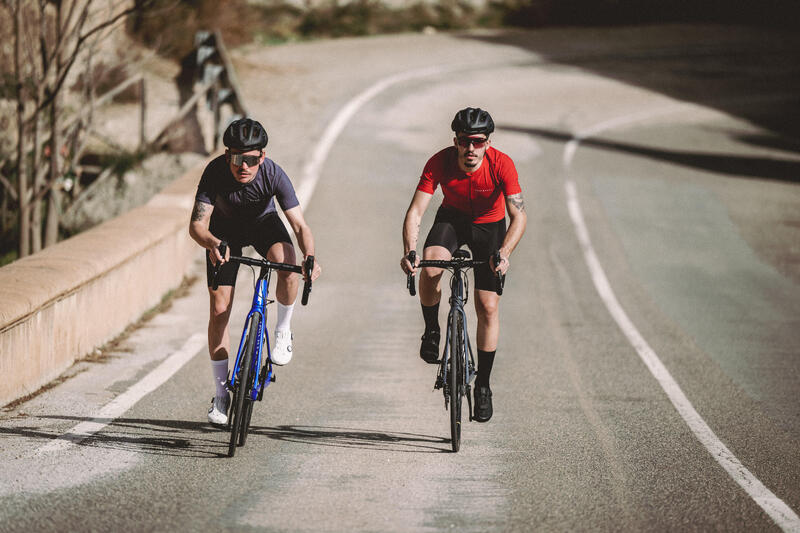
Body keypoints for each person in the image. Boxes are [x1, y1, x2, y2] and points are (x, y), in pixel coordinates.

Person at [189, 117, 321, 425]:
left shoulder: (273, 173)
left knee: (287, 265)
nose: (243, 166)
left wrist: (309, 256)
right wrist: (212, 243)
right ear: (227, 156)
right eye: (237, 158)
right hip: (223, 235)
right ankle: (221, 395)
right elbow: (196, 226)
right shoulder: (215, 173)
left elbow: (299, 225)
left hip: (263, 226)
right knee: (219, 310)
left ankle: (283, 330)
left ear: (262, 157)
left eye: (251, 159)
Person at [400, 107, 527, 423]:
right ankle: (432, 331)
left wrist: (505, 252)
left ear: (487, 142)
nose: (470, 149)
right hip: (452, 222)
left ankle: (482, 385)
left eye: (477, 142)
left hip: (490, 227)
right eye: (463, 141)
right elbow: (416, 211)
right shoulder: (439, 162)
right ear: (455, 140)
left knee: (488, 307)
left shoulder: (502, 165)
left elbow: (519, 216)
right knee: (430, 269)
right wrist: (410, 251)